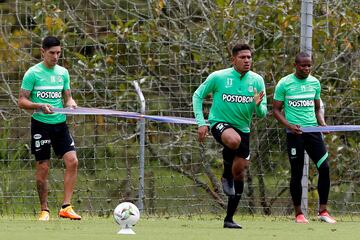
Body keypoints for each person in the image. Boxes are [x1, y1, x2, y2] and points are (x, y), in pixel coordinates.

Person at [192, 43, 267, 228]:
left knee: (240, 173)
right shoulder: (219, 77)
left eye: (249, 57)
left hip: (244, 129)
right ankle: (225, 175)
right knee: (233, 140)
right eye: (243, 57)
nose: (247, 60)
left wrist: (258, 104)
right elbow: (197, 95)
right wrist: (202, 122)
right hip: (219, 123)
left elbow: (263, 113)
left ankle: (229, 219)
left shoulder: (257, 80)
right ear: (233, 59)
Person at [18, 36, 81, 221]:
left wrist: (71, 103)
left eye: (58, 53)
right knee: (43, 168)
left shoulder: (63, 73)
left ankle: (66, 207)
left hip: (60, 124)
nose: (55, 57)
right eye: (52, 53)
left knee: (73, 161)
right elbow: (21, 101)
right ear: (43, 51)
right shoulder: (32, 73)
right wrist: (38, 105)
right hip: (41, 125)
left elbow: (67, 97)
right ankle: (44, 210)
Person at [273, 52, 336, 224]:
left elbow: (317, 109)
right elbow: (276, 110)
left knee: (324, 168)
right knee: (297, 172)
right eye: (303, 65)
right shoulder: (284, 83)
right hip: (295, 135)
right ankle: (299, 214)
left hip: (313, 132)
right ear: (295, 65)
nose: (306, 68)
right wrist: (289, 126)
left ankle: (323, 211)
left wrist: (322, 124)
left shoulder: (315, 83)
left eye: (309, 65)